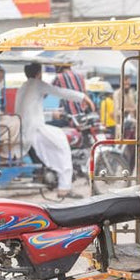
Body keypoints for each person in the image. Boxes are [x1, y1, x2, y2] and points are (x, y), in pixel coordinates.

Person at [15, 62, 93, 200]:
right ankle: (64, 188)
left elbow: (32, 109)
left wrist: (51, 114)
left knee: (58, 145)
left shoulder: (23, 87)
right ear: (39, 73)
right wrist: (84, 97)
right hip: (36, 129)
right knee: (63, 146)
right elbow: (60, 92)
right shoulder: (37, 84)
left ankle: (58, 180)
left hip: (26, 129)